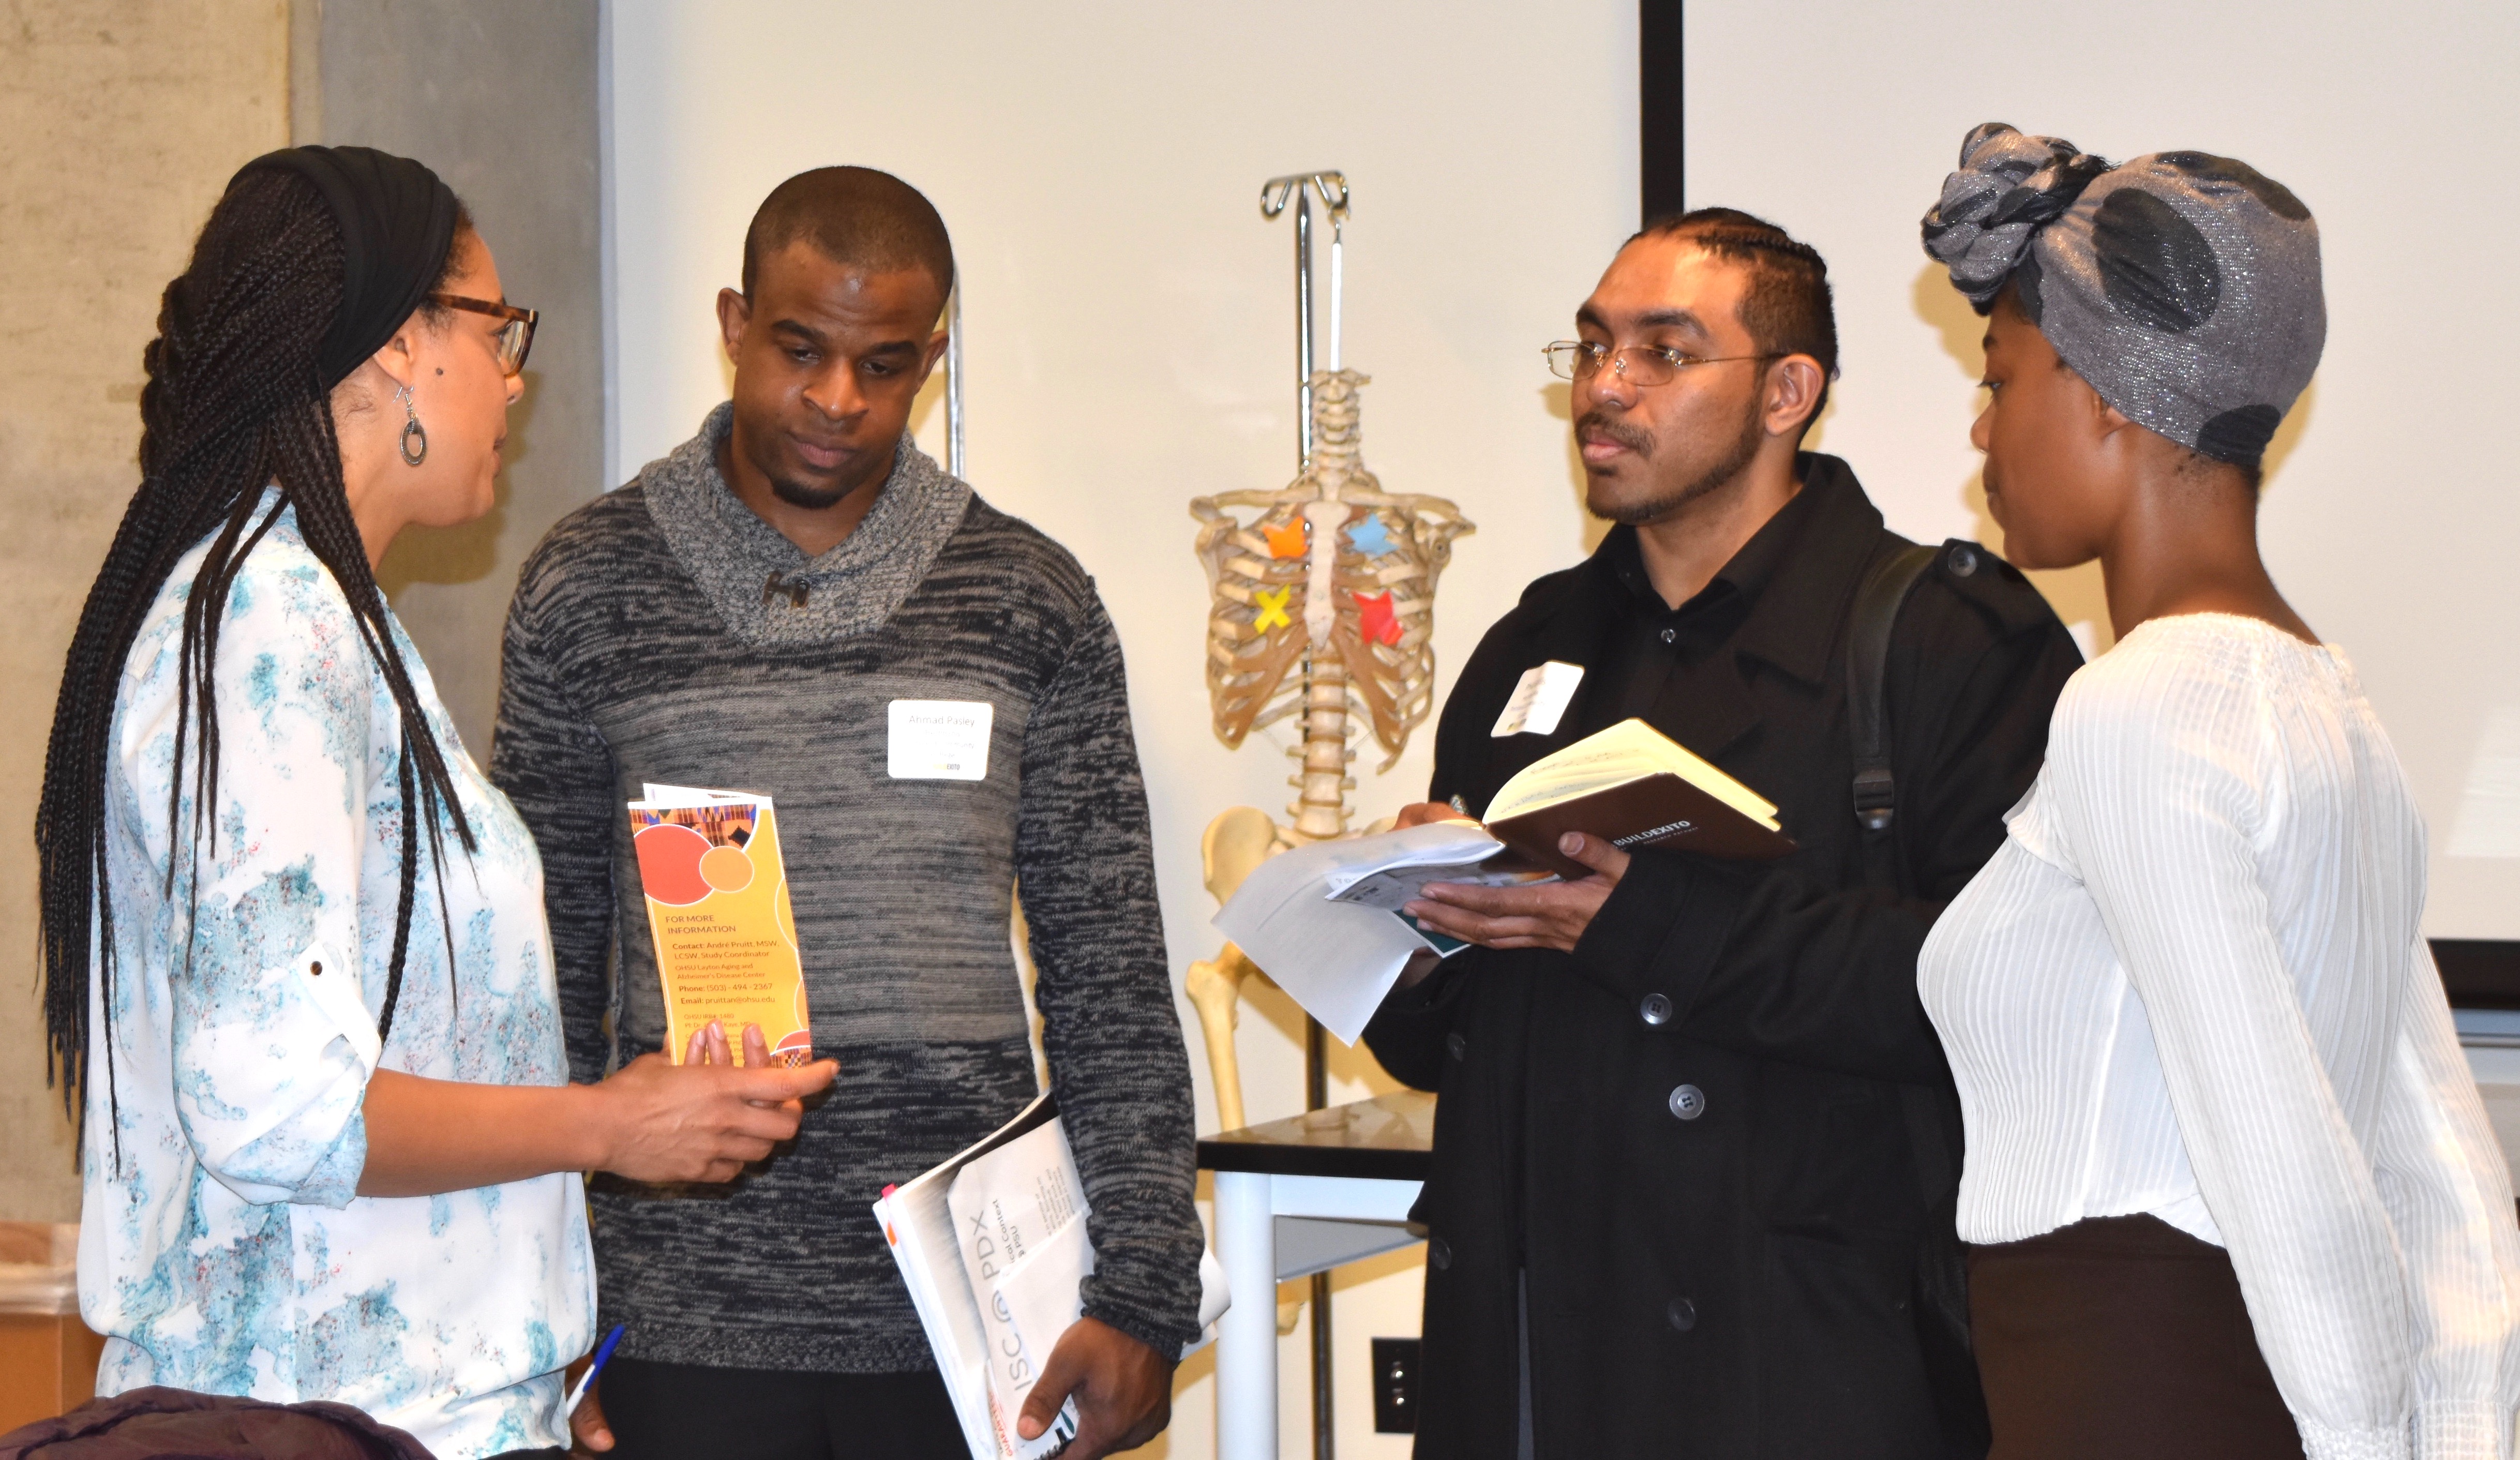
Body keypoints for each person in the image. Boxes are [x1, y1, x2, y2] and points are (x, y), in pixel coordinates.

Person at [31, 147, 835, 1460]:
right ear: (404, 345)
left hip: (410, 1402)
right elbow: (283, 1108)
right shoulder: (271, 623)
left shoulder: (333, 618)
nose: (514, 377)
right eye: (496, 331)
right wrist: (613, 1122)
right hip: (327, 1413)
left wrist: (534, 1338)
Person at [490, 166, 1205, 1460]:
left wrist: (1143, 1287)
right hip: (674, 1321)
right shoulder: (588, 586)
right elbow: (537, 986)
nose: (837, 399)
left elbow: (1110, 976)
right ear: (734, 325)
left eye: (884, 365)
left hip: (971, 1327)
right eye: (799, 349)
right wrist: (529, 1309)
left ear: (931, 357)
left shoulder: (1025, 598)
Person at [1361, 208, 2086, 1458]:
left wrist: (1651, 921)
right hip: (1532, 1351)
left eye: (1663, 351)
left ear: (1787, 392)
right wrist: (1417, 933)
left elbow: (2013, 989)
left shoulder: (1944, 639)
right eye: (1592, 346)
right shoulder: (1531, 646)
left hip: (1802, 1355)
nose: (1605, 386)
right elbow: (1448, 1050)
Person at [1916, 124, 2520, 1459]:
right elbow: (2443, 1168)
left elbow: (2290, 1168)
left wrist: (2368, 1441)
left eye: (2000, 377)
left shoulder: (2136, 709)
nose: (1981, 427)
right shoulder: (2335, 712)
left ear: (2105, 395)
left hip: (2135, 1397)